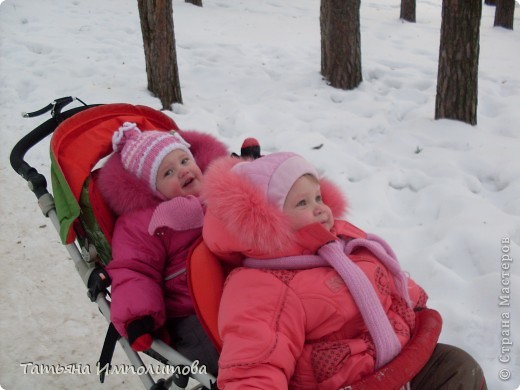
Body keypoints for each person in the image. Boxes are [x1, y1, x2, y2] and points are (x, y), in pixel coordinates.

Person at [201, 151, 487, 389]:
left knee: (461, 370)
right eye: (302, 203)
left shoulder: (340, 240)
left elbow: (380, 275)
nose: (320, 209)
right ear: (268, 219)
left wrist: (412, 301)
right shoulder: (262, 286)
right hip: (347, 381)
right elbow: (254, 366)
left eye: (318, 197)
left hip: (397, 359)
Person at [98, 122, 228, 375]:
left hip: (242, 291)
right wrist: (139, 315)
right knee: (222, 363)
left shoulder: (221, 190)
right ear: (151, 189)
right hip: (192, 313)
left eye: (184, 161)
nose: (182, 171)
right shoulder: (144, 223)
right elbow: (135, 269)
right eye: (167, 173)